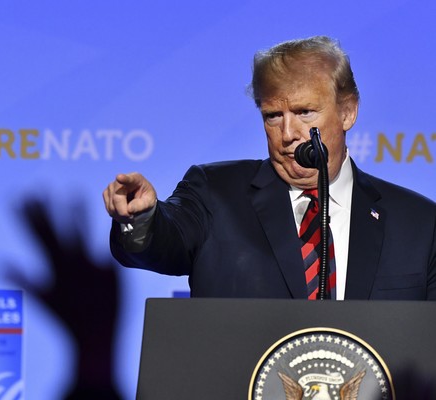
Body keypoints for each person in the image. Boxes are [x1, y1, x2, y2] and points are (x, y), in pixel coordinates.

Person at [102, 35, 436, 300]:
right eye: (273, 116)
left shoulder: (419, 224)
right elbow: (166, 240)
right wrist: (142, 218)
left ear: (347, 112)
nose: (288, 134)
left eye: (305, 112)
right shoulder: (214, 193)